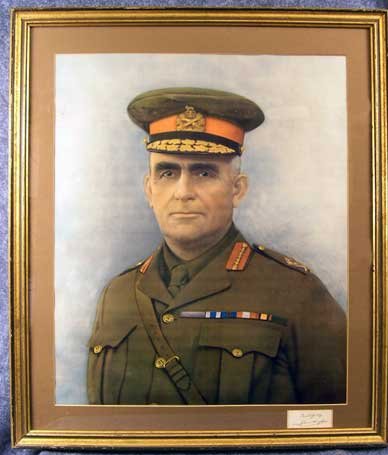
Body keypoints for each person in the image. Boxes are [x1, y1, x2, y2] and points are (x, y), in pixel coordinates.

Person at [87, 87, 346, 405]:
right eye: (167, 173)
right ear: (149, 189)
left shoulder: (296, 293)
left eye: (204, 172)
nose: (183, 192)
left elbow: (339, 420)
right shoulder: (118, 293)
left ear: (237, 190)